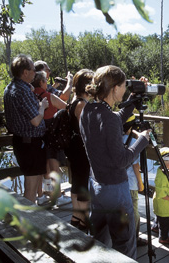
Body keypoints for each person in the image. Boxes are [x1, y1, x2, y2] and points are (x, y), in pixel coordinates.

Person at [80, 65, 150, 259]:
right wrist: (142, 140)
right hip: (116, 190)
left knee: (99, 241)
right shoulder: (108, 117)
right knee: (124, 245)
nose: (125, 89)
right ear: (114, 88)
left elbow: (113, 120)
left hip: (96, 186)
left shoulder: (88, 110)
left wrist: (131, 103)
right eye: (123, 86)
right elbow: (121, 160)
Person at [3, 54, 49, 203]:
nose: (35, 72)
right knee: (31, 187)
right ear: (25, 72)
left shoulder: (10, 88)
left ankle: (30, 213)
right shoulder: (22, 91)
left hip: (22, 143)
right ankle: (27, 221)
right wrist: (42, 107)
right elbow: (36, 121)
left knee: (30, 183)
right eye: (33, 69)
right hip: (30, 145)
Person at [64, 69, 94, 232]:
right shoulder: (81, 104)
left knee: (77, 183)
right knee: (82, 185)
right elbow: (87, 130)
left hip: (74, 150)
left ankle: (77, 217)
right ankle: (83, 221)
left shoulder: (74, 101)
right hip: (81, 151)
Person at [31, 71, 68, 205]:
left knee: (45, 168)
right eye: (46, 81)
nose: (48, 84)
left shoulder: (30, 95)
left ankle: (46, 192)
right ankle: (57, 195)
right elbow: (66, 108)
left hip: (38, 136)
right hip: (52, 135)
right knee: (54, 167)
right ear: (41, 82)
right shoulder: (49, 97)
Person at [122, 114, 148, 247]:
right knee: (134, 212)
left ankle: (123, 235)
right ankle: (134, 238)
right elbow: (136, 165)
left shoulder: (117, 138)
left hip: (119, 182)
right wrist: (140, 182)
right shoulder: (133, 142)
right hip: (131, 183)